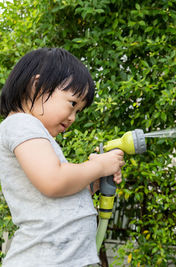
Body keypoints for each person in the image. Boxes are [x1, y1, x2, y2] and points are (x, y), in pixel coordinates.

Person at [0, 48, 125, 266]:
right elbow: (54, 181)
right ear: (35, 87)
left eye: (79, 111)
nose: (73, 117)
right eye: (72, 104)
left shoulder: (35, 134)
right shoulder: (22, 124)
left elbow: (58, 196)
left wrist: (92, 183)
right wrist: (98, 166)